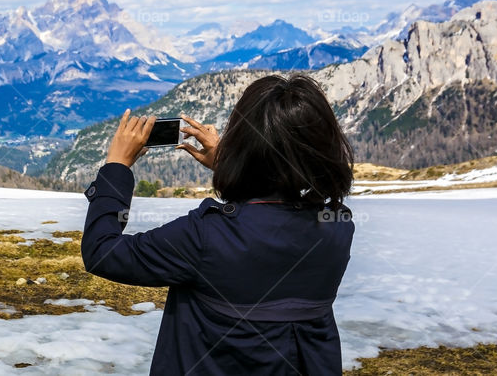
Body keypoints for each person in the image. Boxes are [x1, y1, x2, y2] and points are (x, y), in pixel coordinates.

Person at [81, 73, 355, 375]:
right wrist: (237, 165)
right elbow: (268, 222)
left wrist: (116, 168)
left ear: (242, 141)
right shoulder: (336, 229)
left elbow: (102, 251)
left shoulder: (204, 237)